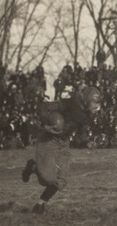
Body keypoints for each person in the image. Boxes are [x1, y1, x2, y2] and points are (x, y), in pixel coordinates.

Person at [21, 86, 101, 214]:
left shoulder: (86, 116)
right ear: (86, 100)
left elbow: (81, 135)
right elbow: (44, 107)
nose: (96, 105)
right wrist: (45, 123)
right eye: (94, 101)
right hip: (49, 140)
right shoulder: (71, 103)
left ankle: (40, 205)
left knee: (61, 181)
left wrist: (87, 142)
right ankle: (32, 166)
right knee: (47, 179)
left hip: (64, 142)